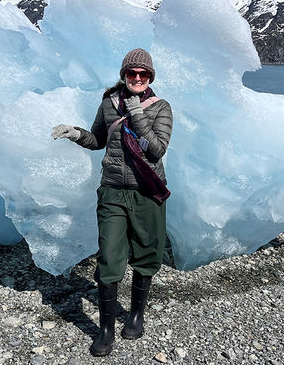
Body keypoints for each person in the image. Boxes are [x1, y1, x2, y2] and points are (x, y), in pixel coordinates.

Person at [52, 48, 173, 356]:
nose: (136, 78)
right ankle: (105, 330)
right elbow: (98, 140)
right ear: (124, 75)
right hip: (112, 192)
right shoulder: (108, 103)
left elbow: (156, 150)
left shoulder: (161, 107)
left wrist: (136, 113)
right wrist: (75, 133)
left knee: (147, 253)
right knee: (109, 255)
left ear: (150, 78)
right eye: (131, 73)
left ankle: (135, 315)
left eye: (142, 74)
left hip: (146, 192)